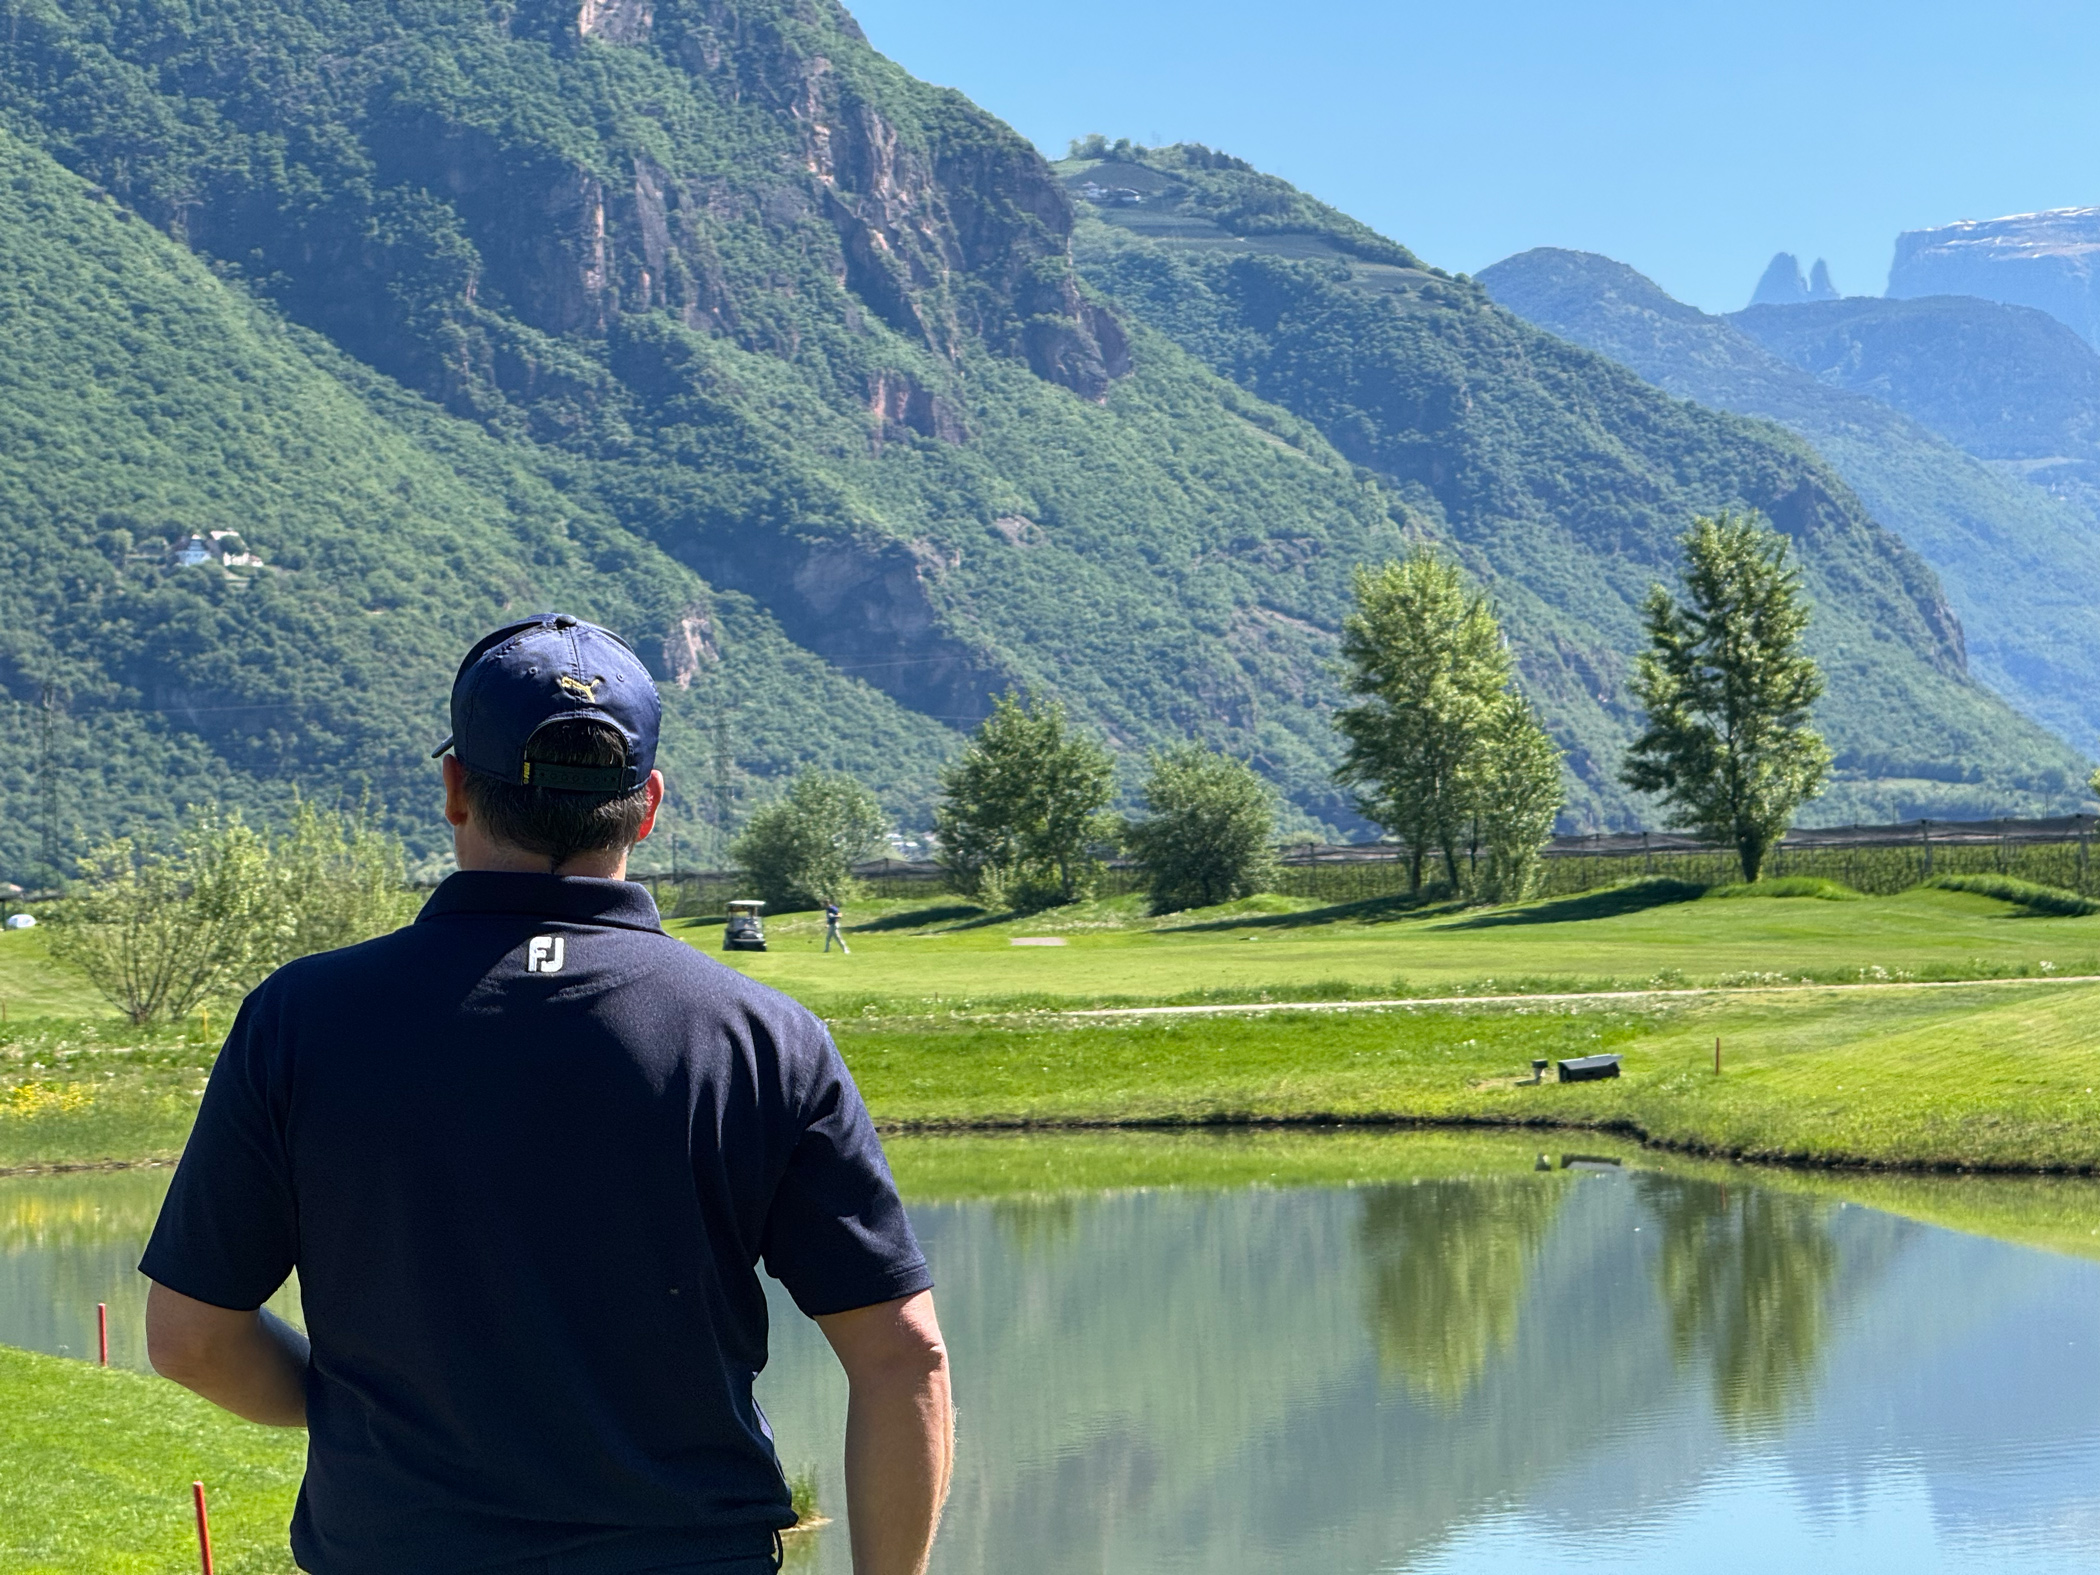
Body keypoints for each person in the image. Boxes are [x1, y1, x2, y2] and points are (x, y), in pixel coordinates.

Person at [140, 613, 953, 1575]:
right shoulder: (763, 1039)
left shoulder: (300, 1019)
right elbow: (906, 1356)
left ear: (453, 789)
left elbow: (191, 1339)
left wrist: (355, 1402)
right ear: (647, 804)